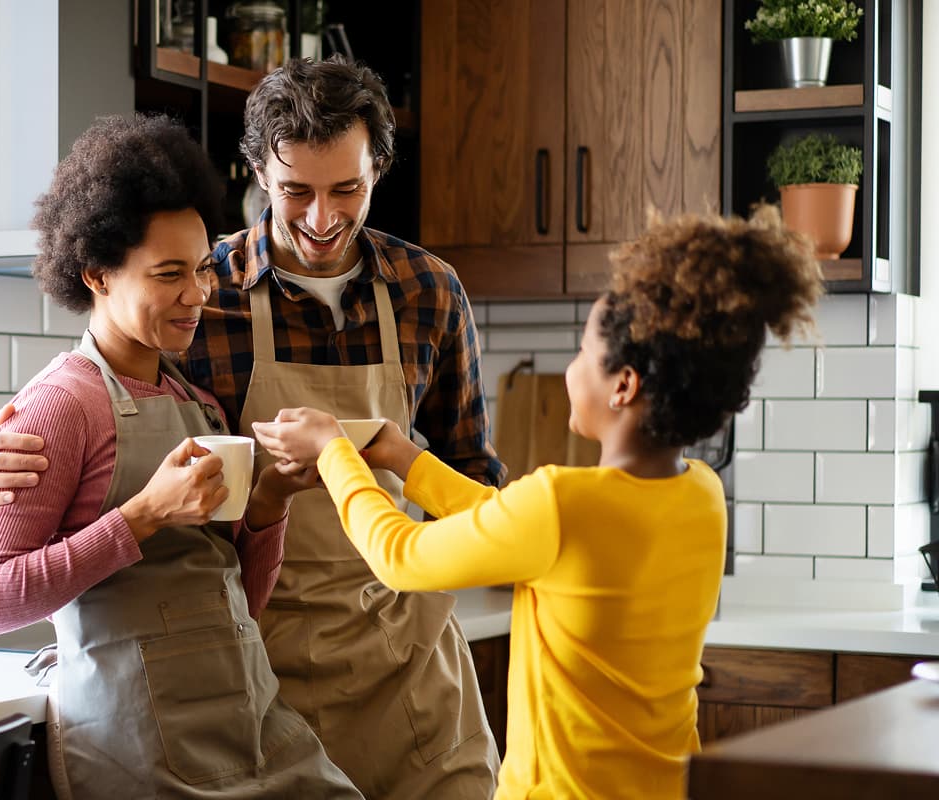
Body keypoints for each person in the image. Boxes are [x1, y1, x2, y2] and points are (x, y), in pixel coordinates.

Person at [0, 57, 502, 799]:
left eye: (348, 188)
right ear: (255, 172)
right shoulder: (196, 298)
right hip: (268, 685)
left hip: (414, 670)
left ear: (379, 166)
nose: (321, 218)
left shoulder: (430, 294)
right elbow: (92, 429)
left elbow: (474, 483)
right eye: (295, 191)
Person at [251, 206, 824, 799]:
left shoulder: (560, 504)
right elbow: (511, 523)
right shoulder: (702, 494)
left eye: (582, 351)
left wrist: (332, 452)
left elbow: (402, 555)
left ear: (623, 384)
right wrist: (403, 456)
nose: (572, 369)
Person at [0, 114, 361, 799]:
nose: (197, 295)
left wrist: (269, 505)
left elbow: (232, 601)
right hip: (139, 745)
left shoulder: (195, 400)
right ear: (97, 275)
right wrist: (142, 516)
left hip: (248, 718)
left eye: (203, 270)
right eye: (170, 274)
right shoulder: (62, 405)